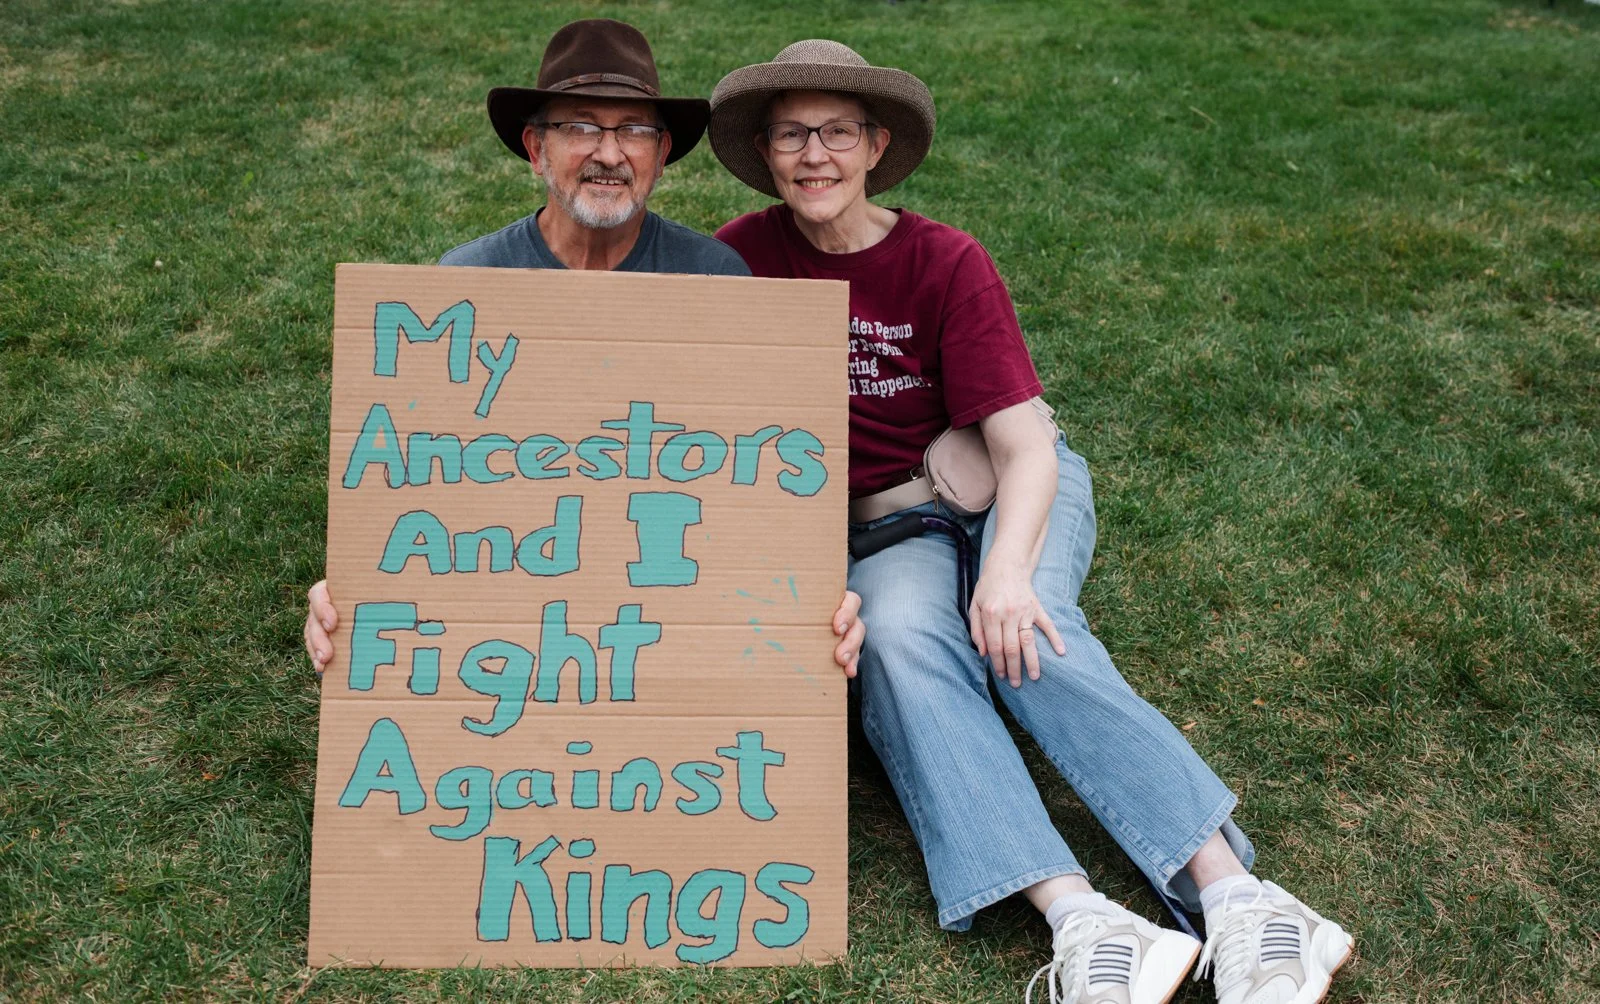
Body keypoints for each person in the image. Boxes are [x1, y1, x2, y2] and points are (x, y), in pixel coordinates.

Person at [707, 40, 1353, 1004]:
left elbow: (1027, 450)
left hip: (1007, 487)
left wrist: (1005, 572)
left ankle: (1243, 902)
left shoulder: (943, 258)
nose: (814, 156)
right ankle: (1088, 923)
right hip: (887, 532)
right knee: (900, 649)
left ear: (876, 144)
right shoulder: (739, 259)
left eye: (837, 132)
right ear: (765, 150)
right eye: (791, 134)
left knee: (1028, 637)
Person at [304, 20, 865, 682]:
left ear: (659, 156)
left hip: (663, 595)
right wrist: (358, 590)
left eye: (633, 130)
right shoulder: (468, 287)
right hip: (522, 609)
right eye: (580, 127)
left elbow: (751, 490)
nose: (609, 152)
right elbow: (429, 485)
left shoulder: (715, 279)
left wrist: (810, 596)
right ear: (536, 149)